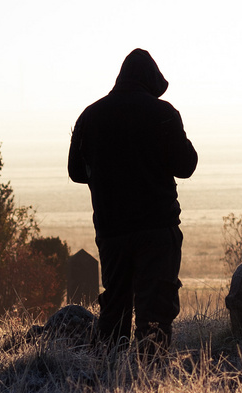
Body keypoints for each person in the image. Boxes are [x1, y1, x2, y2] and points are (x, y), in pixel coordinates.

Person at [68, 49, 198, 351]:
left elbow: (75, 171)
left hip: (112, 229)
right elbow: (187, 165)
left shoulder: (90, 116)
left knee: (114, 306)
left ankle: (111, 372)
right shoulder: (163, 114)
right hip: (157, 226)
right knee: (156, 311)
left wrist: (106, 175)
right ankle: (149, 378)